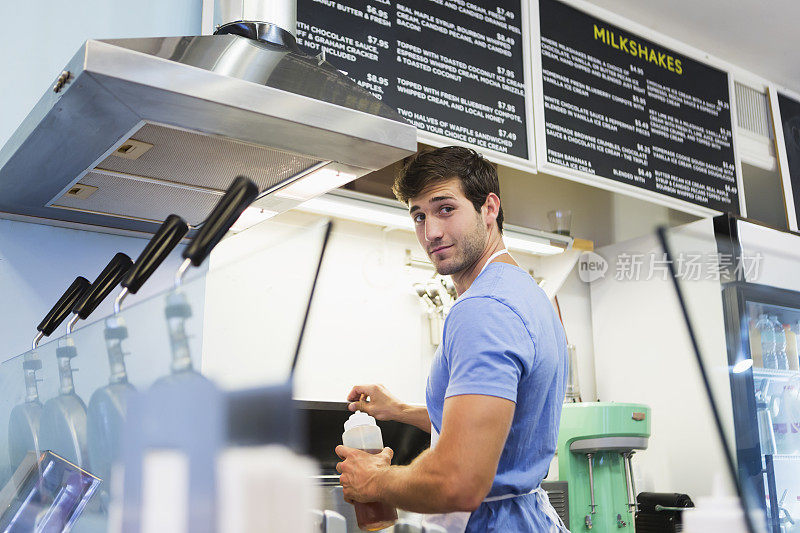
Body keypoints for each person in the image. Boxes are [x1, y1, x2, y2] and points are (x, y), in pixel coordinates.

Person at [335, 146, 570, 532]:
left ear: (489, 209)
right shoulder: (525, 293)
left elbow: (457, 480)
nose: (431, 232)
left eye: (446, 208)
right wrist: (398, 410)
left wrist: (372, 480)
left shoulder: (483, 309)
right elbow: (493, 423)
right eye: (419, 216)